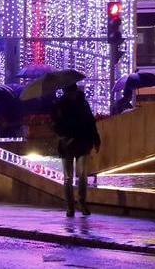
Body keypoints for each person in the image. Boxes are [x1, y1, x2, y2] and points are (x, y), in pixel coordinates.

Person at [51, 83, 101, 217]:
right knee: (68, 178)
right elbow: (56, 125)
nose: (70, 95)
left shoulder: (83, 104)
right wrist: (64, 136)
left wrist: (96, 139)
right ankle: (70, 206)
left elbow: (91, 122)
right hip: (67, 145)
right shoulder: (60, 105)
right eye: (68, 92)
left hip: (82, 143)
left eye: (71, 92)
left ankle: (82, 203)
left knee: (82, 175)